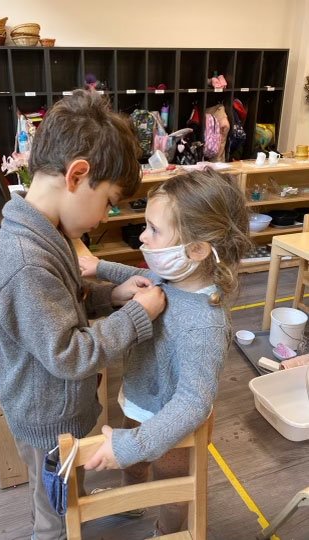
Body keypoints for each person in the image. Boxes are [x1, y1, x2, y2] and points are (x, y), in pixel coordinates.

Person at [0, 89, 166, 540]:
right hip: (49, 421)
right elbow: (67, 352)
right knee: (55, 515)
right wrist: (138, 316)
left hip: (57, 411)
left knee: (66, 494)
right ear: (77, 175)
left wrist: (111, 295)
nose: (105, 218)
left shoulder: (46, 232)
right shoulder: (27, 260)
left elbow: (64, 307)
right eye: (107, 201)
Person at [80, 169, 251, 535]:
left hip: (175, 424)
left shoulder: (204, 324)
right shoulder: (173, 274)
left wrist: (130, 445)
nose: (142, 236)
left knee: (171, 488)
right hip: (140, 398)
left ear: (198, 249)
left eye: (153, 230)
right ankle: (132, 503)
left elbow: (193, 403)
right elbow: (138, 276)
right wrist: (100, 267)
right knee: (136, 467)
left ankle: (167, 531)